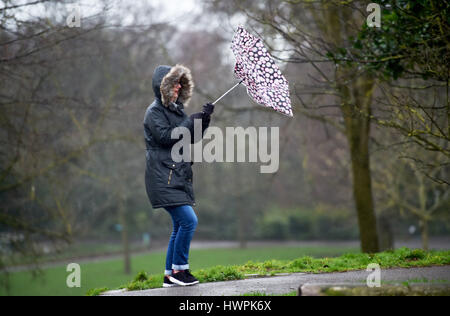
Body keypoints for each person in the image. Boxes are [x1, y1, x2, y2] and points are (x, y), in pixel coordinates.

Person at [143, 64, 214, 287]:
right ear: (163, 86)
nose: (178, 87)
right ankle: (179, 271)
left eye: (180, 84)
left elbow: (189, 137)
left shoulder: (176, 110)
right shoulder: (154, 112)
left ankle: (169, 275)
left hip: (176, 175)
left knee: (180, 224)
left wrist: (203, 120)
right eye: (174, 84)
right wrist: (188, 121)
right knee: (189, 221)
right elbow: (165, 137)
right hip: (162, 177)